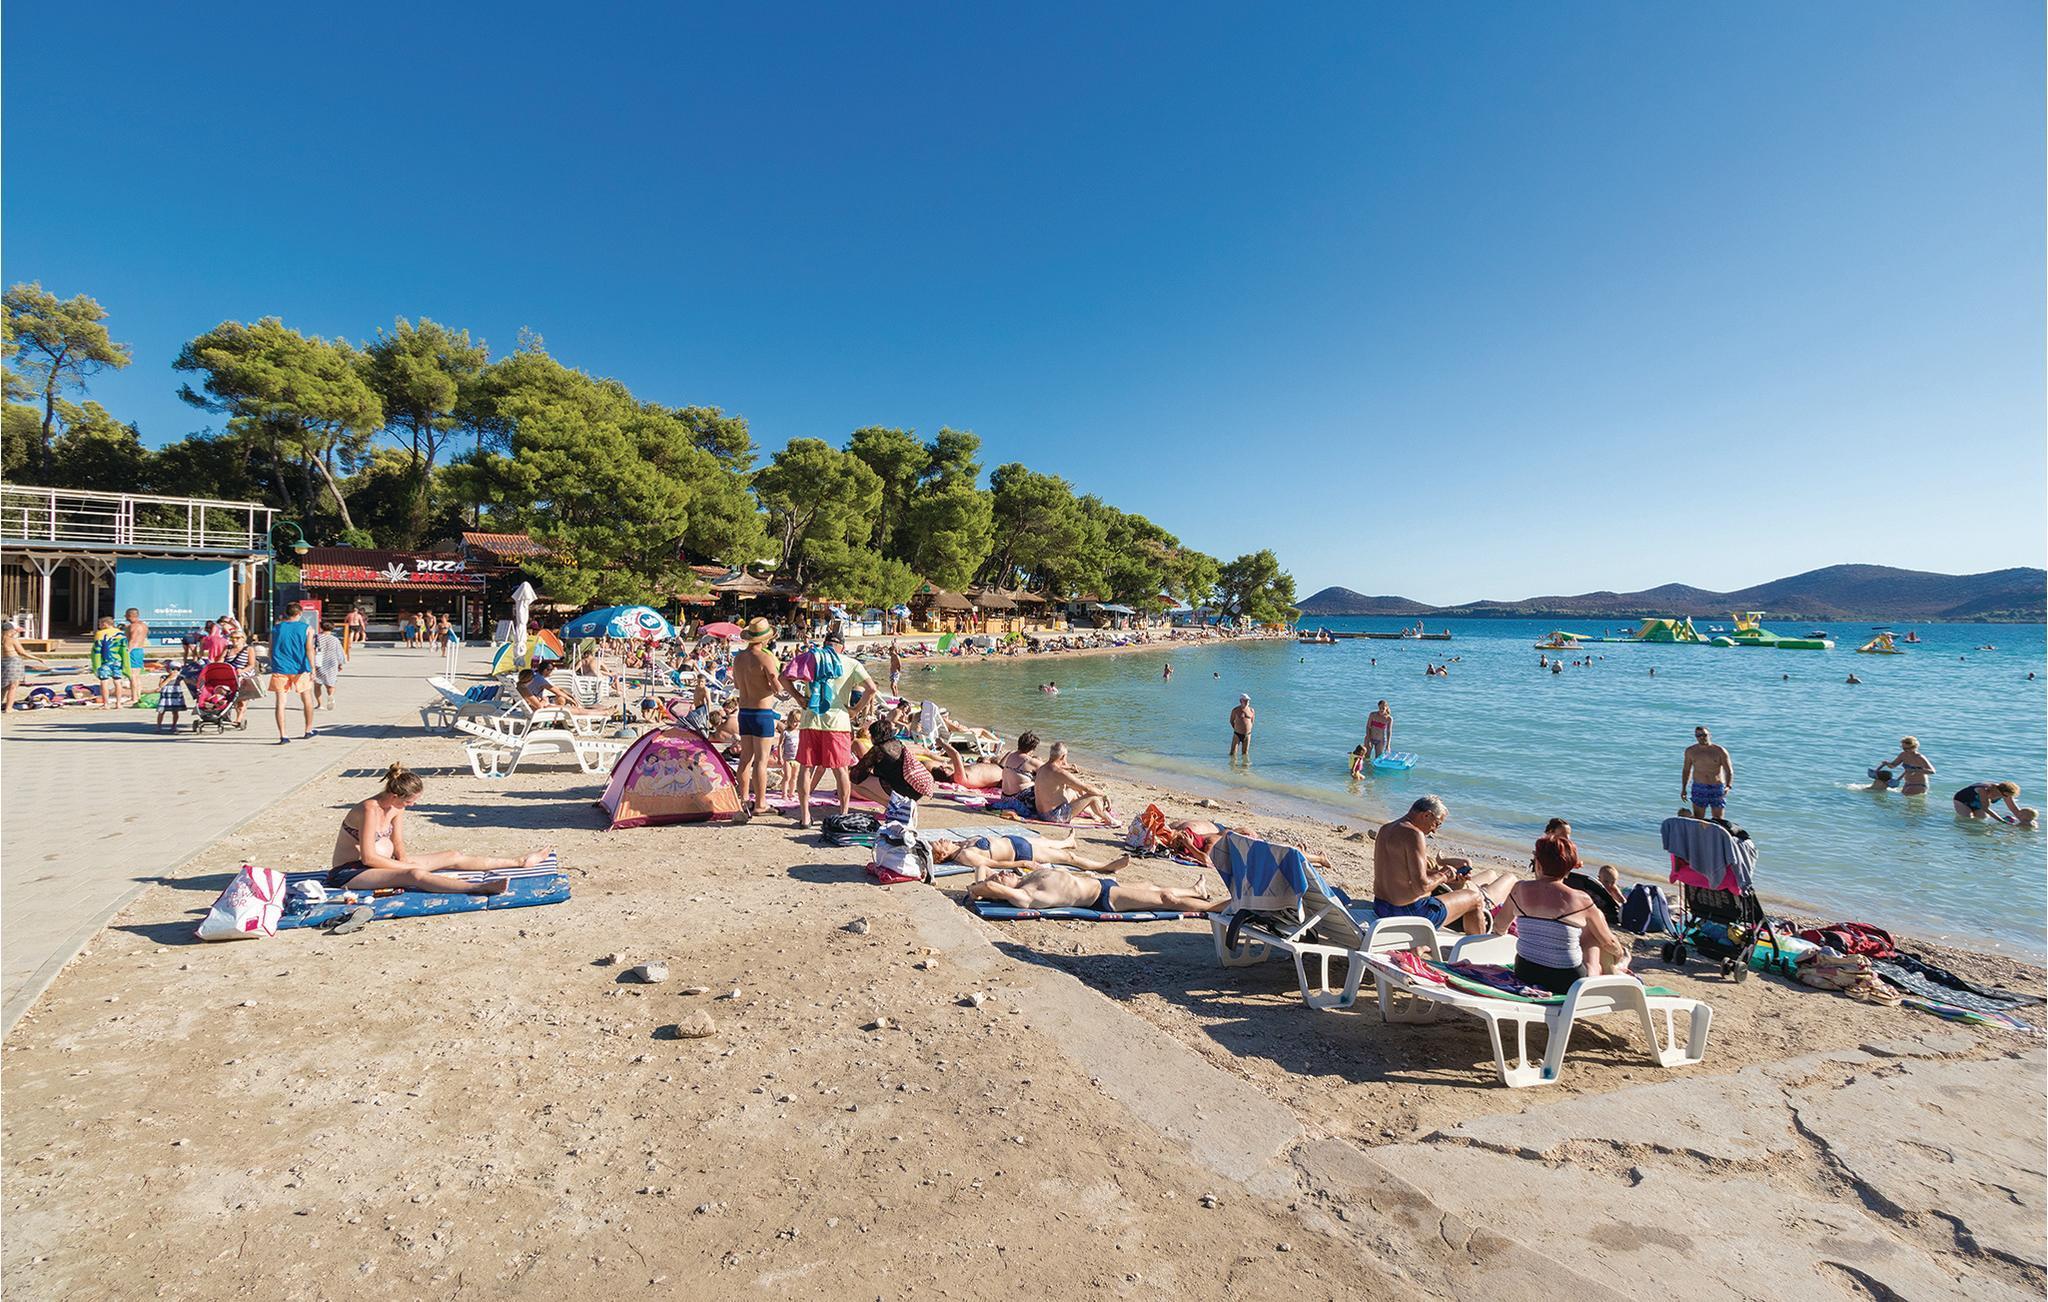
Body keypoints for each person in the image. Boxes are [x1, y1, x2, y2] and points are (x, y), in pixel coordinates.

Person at [330, 762, 553, 893]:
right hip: (351, 872)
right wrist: (404, 867)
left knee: (452, 856)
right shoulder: (370, 809)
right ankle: (477, 888)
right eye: (409, 801)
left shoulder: (397, 807)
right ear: (395, 795)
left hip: (383, 863)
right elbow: (369, 858)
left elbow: (397, 841)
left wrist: (403, 858)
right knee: (415, 874)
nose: (412, 805)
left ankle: (519, 862)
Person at [1490, 834, 1632, 995]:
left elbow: (1499, 926)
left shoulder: (1519, 889)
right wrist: (1619, 954)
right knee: (1591, 936)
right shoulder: (1581, 900)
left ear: (1538, 863)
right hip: (1567, 981)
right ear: (1569, 868)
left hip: (1525, 972)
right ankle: (1616, 967)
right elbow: (1608, 943)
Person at [1371, 795, 1514, 933]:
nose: (1434, 830)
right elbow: (1421, 887)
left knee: (1467, 893)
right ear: (1427, 815)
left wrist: (1446, 875)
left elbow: (1402, 870)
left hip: (1381, 906)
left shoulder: (1386, 828)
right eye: (1437, 823)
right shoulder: (1414, 834)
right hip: (1408, 912)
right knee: (1475, 899)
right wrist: (1443, 875)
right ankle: (1477, 946)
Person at [778, 629, 874, 827]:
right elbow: (871, 689)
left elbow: (783, 678)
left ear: (824, 644)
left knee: (806, 768)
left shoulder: (811, 658)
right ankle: (844, 815)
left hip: (810, 719)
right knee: (841, 770)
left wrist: (799, 697)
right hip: (838, 722)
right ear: (842, 647)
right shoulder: (851, 663)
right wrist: (855, 710)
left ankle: (805, 817)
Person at [966, 863, 1228, 914]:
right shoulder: (1024, 895)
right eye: (1000, 878)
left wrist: (979, 884)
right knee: (1165, 898)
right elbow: (989, 884)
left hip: (1102, 884)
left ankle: (1194, 891)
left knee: (1150, 885)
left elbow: (981, 866)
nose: (1002, 873)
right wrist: (977, 889)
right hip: (1103, 898)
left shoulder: (1026, 879)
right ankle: (1214, 908)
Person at [729, 618, 782, 820]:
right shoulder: (765, 658)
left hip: (744, 712)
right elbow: (777, 687)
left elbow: (737, 684)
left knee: (745, 758)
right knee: (761, 760)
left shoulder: (739, 659)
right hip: (762, 712)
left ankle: (743, 800)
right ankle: (760, 803)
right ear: (765, 638)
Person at [1538, 817, 1624, 926]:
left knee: (1592, 883)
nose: (1567, 838)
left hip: (1561, 883)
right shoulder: (1543, 850)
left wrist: (1572, 864)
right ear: (1551, 833)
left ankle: (1614, 908)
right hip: (1554, 886)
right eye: (1563, 834)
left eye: (1568, 835)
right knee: (1588, 887)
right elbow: (1543, 875)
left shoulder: (1564, 848)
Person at [931, 829, 1129, 874]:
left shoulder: (959, 844)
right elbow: (994, 864)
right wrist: (1023, 863)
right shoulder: (965, 855)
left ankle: (1067, 841)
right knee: (1069, 858)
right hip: (1021, 853)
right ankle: (1106, 867)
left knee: (1045, 842)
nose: (940, 839)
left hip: (1014, 841)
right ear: (942, 856)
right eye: (938, 844)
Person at [850, 719, 935, 808]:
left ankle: (891, 806)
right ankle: (898, 805)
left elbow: (856, 776)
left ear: (875, 735)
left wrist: (849, 769)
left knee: (855, 785)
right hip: (915, 789)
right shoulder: (897, 743)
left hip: (900, 790)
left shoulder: (878, 750)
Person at [268, 602, 317, 743]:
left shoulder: (276, 628)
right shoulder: (307, 628)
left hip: (280, 668)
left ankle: (283, 735)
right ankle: (308, 729)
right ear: (300, 613)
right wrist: (313, 667)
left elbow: (270, 649)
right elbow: (309, 649)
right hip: (300, 668)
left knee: (280, 702)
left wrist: (274, 663)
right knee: (307, 698)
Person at [1032, 741, 1114, 825]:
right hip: (1054, 816)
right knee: (1092, 797)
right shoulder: (1060, 773)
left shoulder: (1042, 768)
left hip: (1041, 814)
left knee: (1071, 792)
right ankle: (1110, 821)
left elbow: (1077, 787)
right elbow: (1087, 788)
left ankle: (1091, 813)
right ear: (1063, 756)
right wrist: (1104, 795)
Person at [1681, 726, 1734, 821]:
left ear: (1710, 735)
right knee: (1698, 818)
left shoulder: (1720, 751)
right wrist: (1684, 788)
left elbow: (1729, 770)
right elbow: (1686, 770)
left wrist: (1728, 786)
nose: (1702, 737)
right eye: (1698, 735)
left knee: (1718, 819)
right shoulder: (1691, 751)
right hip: (1699, 786)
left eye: (1704, 735)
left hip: (1717, 787)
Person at [2, 619, 52, 715]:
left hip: (4, 662)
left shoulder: (2, 639)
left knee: (3, 686)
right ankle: (8, 708)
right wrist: (38, 658)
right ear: (10, 630)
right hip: (14, 663)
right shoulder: (12, 640)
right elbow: (22, 652)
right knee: (13, 686)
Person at [89, 617, 128, 711]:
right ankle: (118, 703)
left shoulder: (100, 634)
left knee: (104, 681)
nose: (99, 626)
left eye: (100, 624)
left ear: (105, 624)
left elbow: (96, 651)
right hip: (117, 660)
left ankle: (106, 704)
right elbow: (124, 650)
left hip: (105, 661)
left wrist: (96, 665)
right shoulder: (121, 634)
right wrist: (126, 664)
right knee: (118, 681)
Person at [932, 739, 1004, 789]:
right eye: (941, 767)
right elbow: (956, 755)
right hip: (1003, 777)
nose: (943, 766)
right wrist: (942, 743)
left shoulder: (959, 775)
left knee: (1004, 756)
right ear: (944, 771)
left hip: (1001, 770)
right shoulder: (959, 778)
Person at [312, 621, 346, 710]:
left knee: (317, 684)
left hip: (318, 663)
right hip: (331, 662)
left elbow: (311, 649)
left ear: (321, 627)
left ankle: (319, 704)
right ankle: (330, 695)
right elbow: (339, 652)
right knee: (330, 683)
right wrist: (340, 663)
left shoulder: (316, 638)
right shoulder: (335, 640)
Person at [1953, 781, 2024, 823]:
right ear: (1999, 791)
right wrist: (2002, 821)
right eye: (2006, 795)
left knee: (1982, 819)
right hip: (1962, 801)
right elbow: (1985, 808)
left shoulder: (2006, 794)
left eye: (2009, 796)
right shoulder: (1984, 790)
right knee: (1968, 819)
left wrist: (2024, 820)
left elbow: (2014, 809)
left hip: (1978, 804)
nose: (2007, 798)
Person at [999, 731, 1042, 799]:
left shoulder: (1010, 755)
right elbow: (1049, 769)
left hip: (1004, 797)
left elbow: (1000, 765)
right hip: (1018, 800)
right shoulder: (1029, 761)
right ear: (1031, 749)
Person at [122, 607, 149, 707]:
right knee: (137, 676)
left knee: (132, 675)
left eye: (126, 615)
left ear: (131, 616)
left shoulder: (133, 626)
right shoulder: (144, 626)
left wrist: (126, 652)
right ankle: (137, 695)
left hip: (133, 650)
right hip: (140, 650)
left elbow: (132, 640)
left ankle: (134, 698)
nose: (125, 617)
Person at [154, 658, 190, 732]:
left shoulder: (179, 677)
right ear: (168, 669)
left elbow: (189, 681)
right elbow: (161, 685)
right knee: (161, 711)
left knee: (175, 711)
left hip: (175, 696)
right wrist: (170, 678)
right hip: (166, 696)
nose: (175, 671)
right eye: (173, 669)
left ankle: (174, 725)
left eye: (178, 669)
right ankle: (158, 726)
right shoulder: (164, 677)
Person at [1229, 694, 1255, 761]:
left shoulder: (1251, 710)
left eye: (1248, 700)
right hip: (1237, 734)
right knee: (1233, 753)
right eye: (1245, 700)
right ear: (1241, 701)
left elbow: (1252, 722)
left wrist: (1248, 729)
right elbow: (1231, 721)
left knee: (1245, 753)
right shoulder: (1235, 710)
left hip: (1247, 735)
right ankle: (1232, 766)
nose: (1247, 702)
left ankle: (1245, 767)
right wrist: (1236, 728)